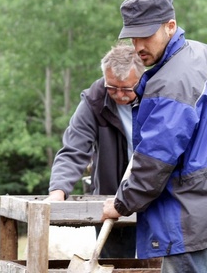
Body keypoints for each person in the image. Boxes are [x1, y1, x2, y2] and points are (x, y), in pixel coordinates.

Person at [101, 0, 207, 272]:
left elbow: (155, 160)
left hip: (184, 219)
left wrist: (122, 203)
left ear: (170, 26)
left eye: (146, 36)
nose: (138, 47)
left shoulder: (171, 81)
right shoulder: (200, 55)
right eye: (133, 38)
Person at [45, 43, 145, 258]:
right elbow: (73, 150)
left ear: (141, 78)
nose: (119, 95)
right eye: (112, 87)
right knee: (114, 265)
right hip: (112, 201)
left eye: (127, 88)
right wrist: (58, 191)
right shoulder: (94, 101)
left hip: (155, 198)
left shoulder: (158, 96)